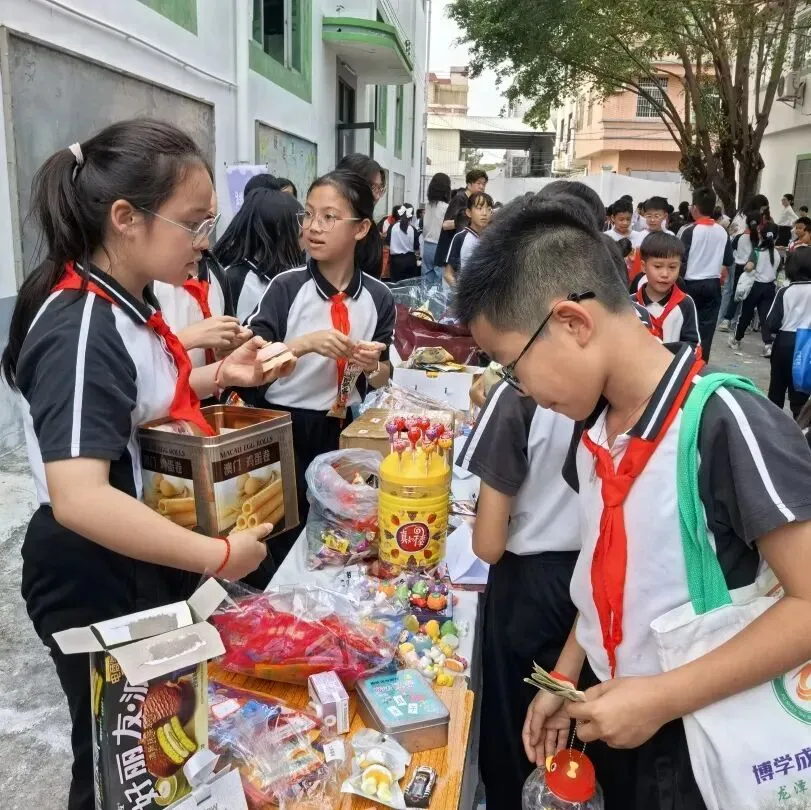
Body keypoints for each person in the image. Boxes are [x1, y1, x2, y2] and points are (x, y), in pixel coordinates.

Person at [453, 191, 811, 810]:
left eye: (514, 367)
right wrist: (568, 673)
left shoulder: (724, 421)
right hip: (621, 715)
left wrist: (661, 697)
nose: (523, 391)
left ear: (572, 322)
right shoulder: (593, 431)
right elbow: (602, 572)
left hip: (701, 742)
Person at [0, 119, 294, 810]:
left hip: (134, 549)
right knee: (116, 758)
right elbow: (80, 496)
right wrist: (218, 552)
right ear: (126, 218)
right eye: (192, 222)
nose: (203, 241)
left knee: (160, 746)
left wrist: (220, 370)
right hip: (93, 561)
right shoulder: (82, 326)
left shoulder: (130, 306)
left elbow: (129, 408)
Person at [245, 170, 394, 566]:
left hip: (342, 428)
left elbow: (383, 375)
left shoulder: (378, 297)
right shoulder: (287, 287)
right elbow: (249, 360)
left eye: (329, 217)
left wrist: (372, 364)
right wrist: (304, 344)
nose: (313, 227)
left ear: (361, 228)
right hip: (284, 427)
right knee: (281, 529)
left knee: (341, 531)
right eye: (308, 215)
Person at [457, 381, 580, 810]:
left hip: (529, 590)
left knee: (521, 733)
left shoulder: (516, 393)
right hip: (596, 581)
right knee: (576, 741)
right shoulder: (629, 383)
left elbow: (488, 544)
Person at [152, 189, 248, 368]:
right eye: (193, 224)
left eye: (210, 223)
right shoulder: (146, 282)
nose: (204, 242)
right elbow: (141, 371)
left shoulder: (215, 269)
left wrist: (229, 348)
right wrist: (190, 338)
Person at [213, 188, 305, 322]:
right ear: (279, 230)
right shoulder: (236, 279)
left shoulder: (290, 273)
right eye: (300, 232)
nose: (308, 232)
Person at [680, 187, 734, 361]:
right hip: (713, 284)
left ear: (694, 208)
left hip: (690, 284)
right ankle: (702, 362)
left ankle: (684, 361)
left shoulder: (689, 231)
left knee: (686, 325)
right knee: (706, 329)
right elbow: (728, 259)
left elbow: (681, 260)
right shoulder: (722, 231)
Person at [632, 232, 700, 347]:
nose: (665, 274)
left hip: (671, 364)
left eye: (672, 267)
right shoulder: (631, 303)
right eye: (658, 266)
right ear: (643, 266)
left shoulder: (685, 303)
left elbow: (692, 344)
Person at [765, 247, 811, 416]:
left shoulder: (785, 291)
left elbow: (772, 322)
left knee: (776, 390)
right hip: (807, 345)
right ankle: (800, 432)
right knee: (800, 394)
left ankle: (773, 429)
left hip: (785, 342)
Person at [729, 220, 781, 356]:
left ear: (761, 236)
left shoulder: (757, 251)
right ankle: (768, 345)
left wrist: (747, 266)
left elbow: (749, 267)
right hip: (770, 288)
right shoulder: (777, 254)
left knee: (746, 314)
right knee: (765, 317)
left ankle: (737, 339)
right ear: (776, 237)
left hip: (755, 287)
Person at [434, 169, 488, 268]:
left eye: (484, 184)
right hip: (448, 253)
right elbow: (445, 225)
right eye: (478, 183)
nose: (482, 187)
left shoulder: (471, 202)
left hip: (457, 252)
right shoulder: (460, 199)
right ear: (469, 184)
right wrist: (465, 220)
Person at [444, 191, 493, 287]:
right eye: (479, 208)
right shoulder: (460, 238)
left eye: (489, 209)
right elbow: (448, 274)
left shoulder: (492, 240)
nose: (484, 213)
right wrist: (461, 293)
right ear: (469, 212)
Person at [719, 211, 757, 333]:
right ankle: (738, 322)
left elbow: (732, 250)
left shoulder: (739, 237)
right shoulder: (756, 239)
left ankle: (726, 320)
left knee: (735, 293)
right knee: (746, 296)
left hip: (738, 266)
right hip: (750, 268)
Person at [421, 172, 451, 284]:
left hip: (427, 245)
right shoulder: (446, 207)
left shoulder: (428, 206)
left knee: (426, 279)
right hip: (439, 246)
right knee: (439, 281)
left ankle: (424, 301)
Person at [387, 203, 421, 282]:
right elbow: (417, 249)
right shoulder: (413, 229)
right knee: (410, 287)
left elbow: (387, 245)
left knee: (396, 287)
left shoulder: (392, 227)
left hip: (396, 261)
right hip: (410, 260)